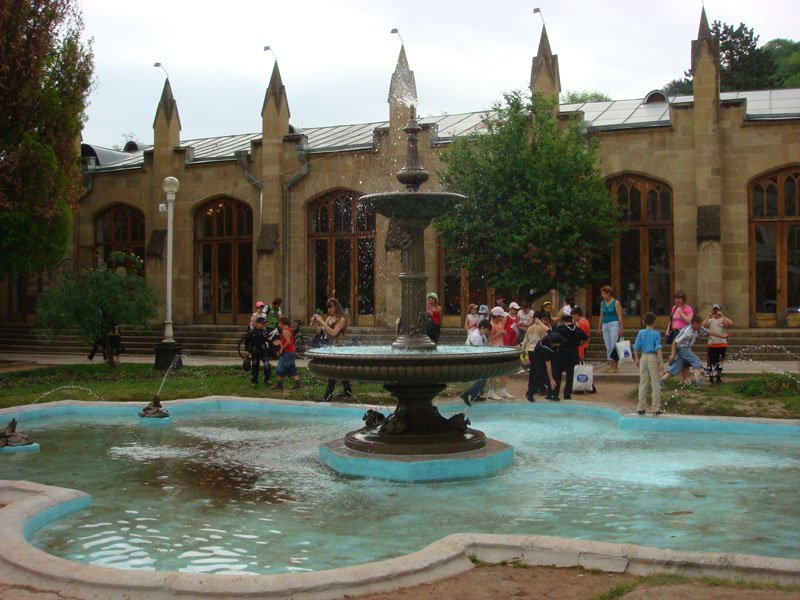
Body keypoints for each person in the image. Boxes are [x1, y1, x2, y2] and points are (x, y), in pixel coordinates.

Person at [661, 315, 718, 388]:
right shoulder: (687, 332)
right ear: (695, 323)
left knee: (678, 365)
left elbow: (709, 332)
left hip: (686, 348)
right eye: (699, 324)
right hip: (682, 348)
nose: (700, 326)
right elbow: (675, 342)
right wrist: (673, 354)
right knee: (695, 360)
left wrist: (723, 336)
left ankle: (662, 380)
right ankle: (698, 382)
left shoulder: (697, 328)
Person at [312, 297, 352, 401]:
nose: (329, 310)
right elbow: (321, 331)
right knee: (341, 371)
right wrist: (315, 323)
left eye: (331, 307)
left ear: (336, 307)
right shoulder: (329, 318)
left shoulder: (341, 319)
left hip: (338, 348)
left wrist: (323, 322)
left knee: (332, 371)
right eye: (328, 308)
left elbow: (334, 332)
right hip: (330, 347)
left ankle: (327, 396)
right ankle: (348, 391)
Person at [633, 312, 664, 415]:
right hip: (652, 357)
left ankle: (641, 407)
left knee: (643, 382)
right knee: (655, 383)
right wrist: (661, 362)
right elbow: (658, 348)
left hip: (643, 357)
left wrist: (637, 359)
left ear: (643, 322)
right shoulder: (656, 334)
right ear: (655, 322)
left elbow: (636, 347)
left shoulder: (641, 333)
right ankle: (655, 408)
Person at [552, 313, 587, 400]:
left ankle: (555, 393)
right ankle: (567, 394)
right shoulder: (577, 329)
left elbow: (552, 337)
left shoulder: (560, 329)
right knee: (570, 374)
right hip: (573, 353)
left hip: (561, 353)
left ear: (563, 322)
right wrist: (578, 344)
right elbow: (586, 338)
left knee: (557, 373)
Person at [460, 318, 492, 406]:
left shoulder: (480, 334)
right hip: (472, 359)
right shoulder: (476, 336)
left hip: (474, 357)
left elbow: (486, 346)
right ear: (482, 327)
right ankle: (466, 393)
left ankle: (476, 395)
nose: (487, 332)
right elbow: (481, 352)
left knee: (482, 377)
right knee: (482, 377)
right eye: (487, 330)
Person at [665, 290, 694, 382]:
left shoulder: (688, 308)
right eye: (676, 298)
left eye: (679, 299)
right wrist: (668, 329)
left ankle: (687, 378)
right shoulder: (674, 308)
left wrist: (681, 313)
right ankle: (683, 378)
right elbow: (671, 320)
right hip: (675, 332)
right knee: (678, 355)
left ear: (683, 299)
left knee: (684, 354)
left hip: (684, 333)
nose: (677, 300)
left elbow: (690, 321)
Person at [526, 332, 563, 402]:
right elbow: (548, 366)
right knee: (540, 375)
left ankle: (551, 394)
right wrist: (551, 380)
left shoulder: (557, 338)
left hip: (552, 354)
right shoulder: (545, 348)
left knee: (555, 372)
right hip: (539, 357)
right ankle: (530, 393)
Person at [596, 285, 624, 373]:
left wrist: (621, 328)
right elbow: (601, 315)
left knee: (613, 345)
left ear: (609, 293)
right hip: (605, 324)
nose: (603, 296)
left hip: (614, 324)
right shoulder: (602, 303)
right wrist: (599, 328)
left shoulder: (616, 302)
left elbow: (619, 315)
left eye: (604, 294)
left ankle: (615, 366)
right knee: (608, 346)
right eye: (602, 294)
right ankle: (610, 365)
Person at [487, 306, 513, 399]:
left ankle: (503, 390)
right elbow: (490, 339)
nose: (503, 318)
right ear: (497, 316)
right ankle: (491, 391)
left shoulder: (500, 323)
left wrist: (503, 333)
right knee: (493, 372)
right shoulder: (491, 325)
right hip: (493, 350)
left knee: (504, 370)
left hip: (501, 348)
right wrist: (500, 333)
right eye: (501, 316)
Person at [704, 304, 734, 384]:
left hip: (722, 344)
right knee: (711, 362)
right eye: (714, 309)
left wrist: (722, 315)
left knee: (720, 362)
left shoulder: (722, 320)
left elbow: (730, 323)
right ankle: (710, 378)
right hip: (712, 344)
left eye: (717, 309)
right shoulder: (710, 320)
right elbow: (703, 325)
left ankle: (718, 377)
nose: (715, 311)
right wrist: (708, 316)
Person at [275, 315, 301, 390]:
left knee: (280, 367)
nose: (278, 325)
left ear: (282, 323)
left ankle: (279, 384)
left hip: (287, 352)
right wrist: (280, 342)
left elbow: (288, 342)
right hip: (292, 352)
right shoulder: (289, 330)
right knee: (292, 367)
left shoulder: (284, 331)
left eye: (279, 323)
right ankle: (297, 383)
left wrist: (282, 348)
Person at [245, 316, 272, 386]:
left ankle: (267, 379)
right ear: (256, 323)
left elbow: (268, 339)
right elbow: (247, 342)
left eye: (264, 324)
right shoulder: (251, 332)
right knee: (255, 365)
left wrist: (270, 339)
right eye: (262, 324)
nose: (263, 325)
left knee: (267, 365)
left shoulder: (265, 331)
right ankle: (254, 381)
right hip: (255, 351)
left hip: (263, 350)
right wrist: (247, 350)